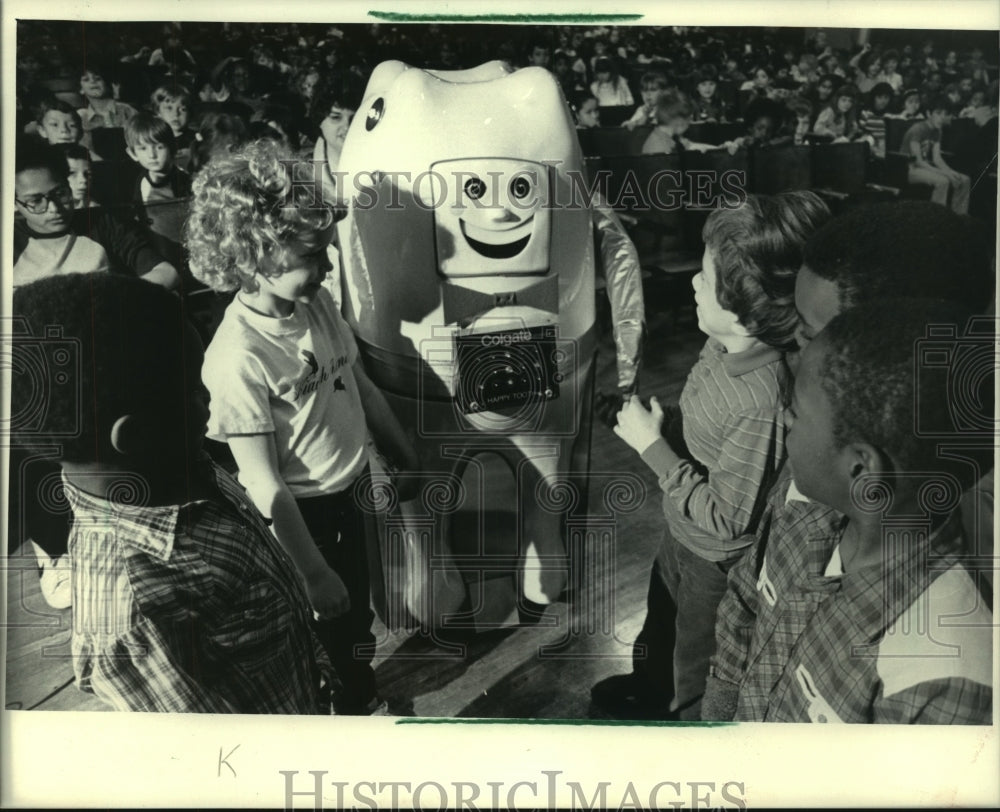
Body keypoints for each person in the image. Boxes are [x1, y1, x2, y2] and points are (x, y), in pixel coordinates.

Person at [9, 273, 333, 713]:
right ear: (138, 434)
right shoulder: (133, 615)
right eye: (196, 389)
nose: (212, 402)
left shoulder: (180, 465)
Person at [187, 140, 419, 716]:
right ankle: (344, 715)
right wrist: (312, 571)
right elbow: (263, 484)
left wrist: (404, 451)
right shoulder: (237, 356)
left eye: (327, 250)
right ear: (251, 257)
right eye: (311, 256)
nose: (328, 267)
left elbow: (356, 383)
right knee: (326, 627)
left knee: (357, 614)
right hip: (304, 518)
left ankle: (359, 691)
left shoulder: (314, 307)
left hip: (352, 489)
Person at [590, 192, 831, 720]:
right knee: (660, 623)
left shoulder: (760, 400)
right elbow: (707, 427)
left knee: (691, 656)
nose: (693, 284)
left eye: (705, 279)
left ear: (745, 316)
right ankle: (648, 688)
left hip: (712, 557)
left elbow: (727, 520)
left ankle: (674, 724)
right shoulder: (722, 347)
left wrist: (652, 448)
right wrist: (666, 424)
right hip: (681, 531)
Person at [703, 299, 993, 723]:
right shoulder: (803, 504)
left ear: (859, 468)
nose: (783, 419)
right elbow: (745, 599)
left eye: (797, 414)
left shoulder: (942, 669)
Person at [14, 140, 179, 290]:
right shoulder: (9, 244)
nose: (54, 208)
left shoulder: (101, 223)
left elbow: (166, 272)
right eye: (35, 201)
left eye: (60, 193)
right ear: (14, 203)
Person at [901, 95, 971, 214]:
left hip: (925, 168)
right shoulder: (917, 129)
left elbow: (937, 159)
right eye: (938, 113)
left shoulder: (937, 131)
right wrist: (946, 174)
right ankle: (936, 219)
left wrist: (951, 172)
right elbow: (918, 161)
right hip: (909, 169)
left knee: (965, 180)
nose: (942, 118)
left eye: (944, 114)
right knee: (943, 181)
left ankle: (959, 217)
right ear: (928, 113)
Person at [641, 94, 718, 155]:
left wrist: (720, 149)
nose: (689, 125)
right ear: (680, 121)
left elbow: (691, 145)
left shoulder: (666, 135)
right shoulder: (660, 149)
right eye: (689, 120)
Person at [77, 64, 138, 132]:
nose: (93, 81)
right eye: (86, 79)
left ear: (106, 84)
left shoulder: (127, 110)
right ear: (81, 89)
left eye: (98, 78)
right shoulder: (81, 117)